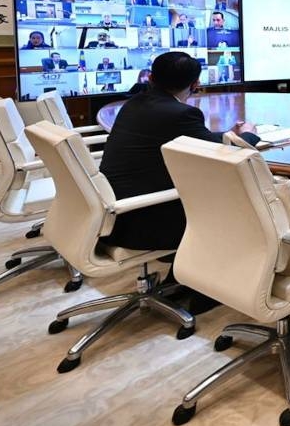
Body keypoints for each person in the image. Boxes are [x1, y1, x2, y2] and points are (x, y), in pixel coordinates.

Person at [99, 52, 260, 297]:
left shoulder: (134, 103)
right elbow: (224, 154)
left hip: (112, 214)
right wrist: (248, 134)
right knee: (235, 203)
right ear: (196, 84)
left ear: (151, 77)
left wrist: (228, 133)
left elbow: (199, 139)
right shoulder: (180, 114)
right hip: (141, 223)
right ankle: (202, 287)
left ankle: (186, 275)